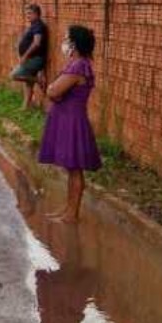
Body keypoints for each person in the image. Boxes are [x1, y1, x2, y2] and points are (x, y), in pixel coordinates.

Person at [38, 25, 102, 221]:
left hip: (71, 121)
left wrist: (50, 88)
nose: (63, 42)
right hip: (68, 118)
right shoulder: (76, 65)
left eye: (66, 38)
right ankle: (68, 210)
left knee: (74, 169)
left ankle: (72, 213)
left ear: (74, 44)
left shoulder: (78, 66)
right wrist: (51, 89)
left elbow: (54, 92)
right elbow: (55, 91)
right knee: (71, 168)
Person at [12, 3, 48, 109]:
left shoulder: (38, 25)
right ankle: (26, 106)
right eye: (26, 13)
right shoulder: (33, 25)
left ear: (37, 14)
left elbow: (37, 42)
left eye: (30, 13)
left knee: (14, 75)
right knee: (28, 81)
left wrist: (25, 56)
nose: (27, 15)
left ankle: (38, 80)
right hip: (32, 58)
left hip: (35, 59)